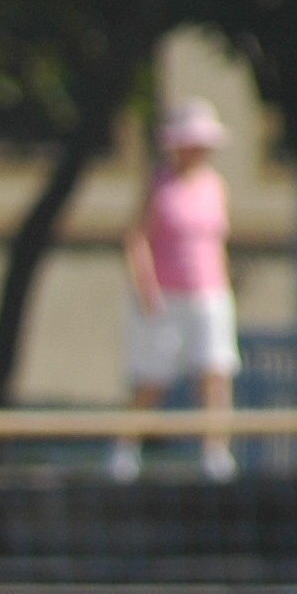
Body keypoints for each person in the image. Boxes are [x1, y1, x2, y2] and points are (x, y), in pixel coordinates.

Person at [112, 98, 240, 483]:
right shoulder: (159, 184)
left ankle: (216, 452)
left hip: (209, 293)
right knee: (153, 377)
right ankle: (126, 446)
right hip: (167, 295)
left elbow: (217, 242)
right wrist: (145, 286)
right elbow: (137, 236)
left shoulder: (215, 186)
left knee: (215, 371)